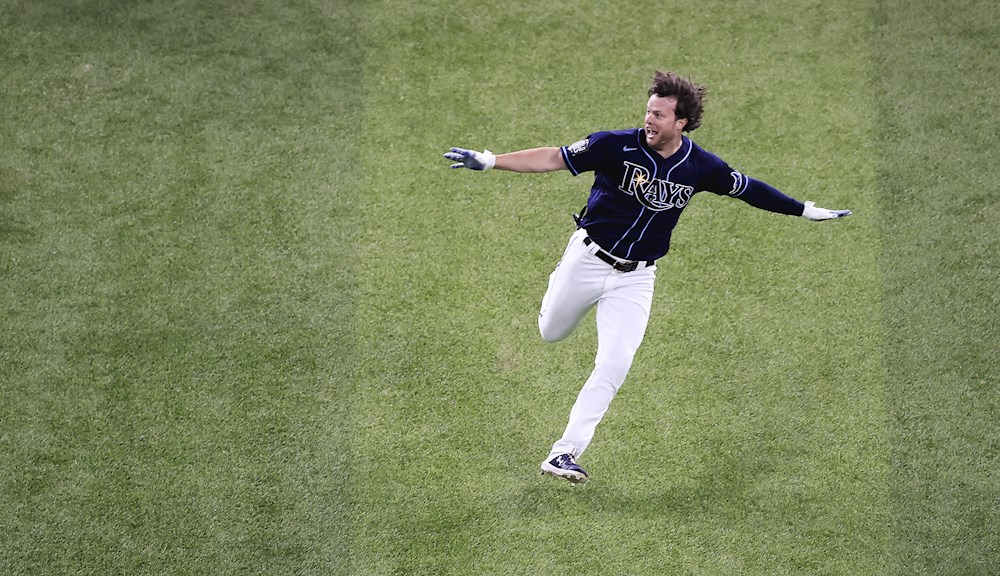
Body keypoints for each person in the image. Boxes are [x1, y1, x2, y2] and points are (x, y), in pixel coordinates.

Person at [443, 70, 851, 485]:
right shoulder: (614, 145)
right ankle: (560, 285)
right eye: (648, 111)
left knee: (615, 364)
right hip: (587, 260)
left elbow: (749, 189)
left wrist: (803, 209)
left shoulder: (702, 167)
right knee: (551, 332)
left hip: (636, 279)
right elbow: (554, 157)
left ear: (682, 123)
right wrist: (492, 160)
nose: (649, 120)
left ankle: (563, 453)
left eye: (659, 114)